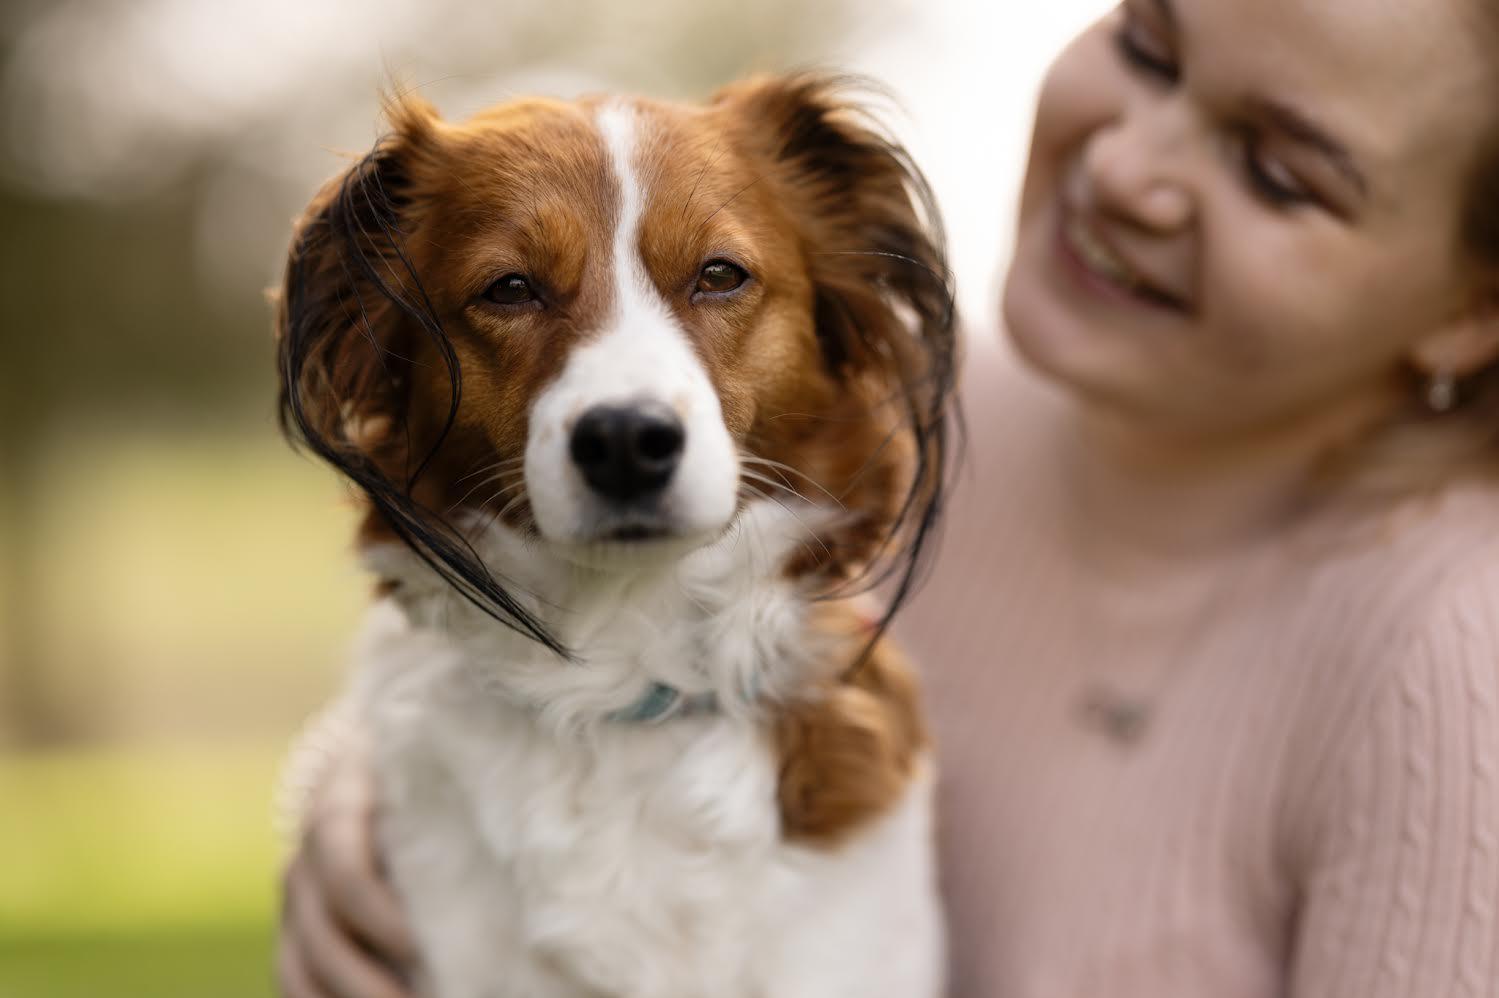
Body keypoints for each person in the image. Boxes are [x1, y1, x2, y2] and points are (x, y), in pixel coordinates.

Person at [276, 0, 1499, 994]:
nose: (1130, 167)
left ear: (1471, 308)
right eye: (1146, 45)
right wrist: (347, 802)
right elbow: (537, 642)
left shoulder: (1451, 667)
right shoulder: (930, 400)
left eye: (1278, 169)